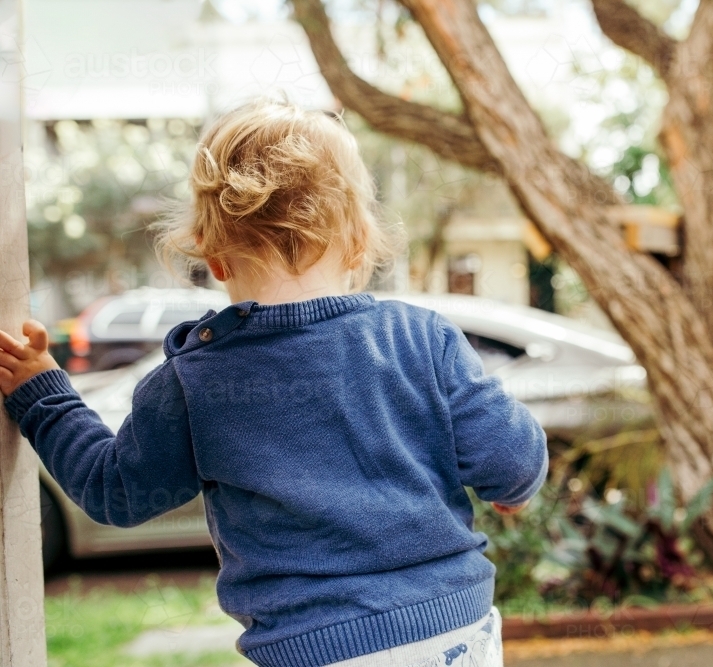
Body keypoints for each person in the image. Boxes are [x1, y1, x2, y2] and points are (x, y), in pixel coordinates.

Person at [0, 98, 548, 667]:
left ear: (213, 258)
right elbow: (513, 462)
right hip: (451, 629)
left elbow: (114, 491)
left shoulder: (198, 380)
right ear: (362, 241)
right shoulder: (420, 339)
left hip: (315, 650)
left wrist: (44, 395)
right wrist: (515, 487)